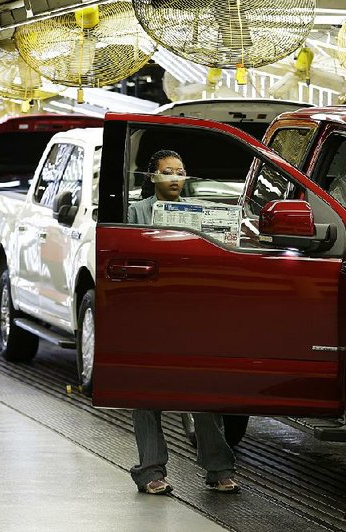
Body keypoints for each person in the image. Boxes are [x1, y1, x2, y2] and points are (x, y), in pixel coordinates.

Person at [127, 150, 240, 495]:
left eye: (180, 172)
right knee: (146, 392)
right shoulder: (137, 212)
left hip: (192, 311)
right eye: (167, 172)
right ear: (152, 178)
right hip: (151, 312)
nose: (175, 178)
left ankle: (218, 468)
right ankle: (150, 471)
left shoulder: (201, 212)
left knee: (203, 390)